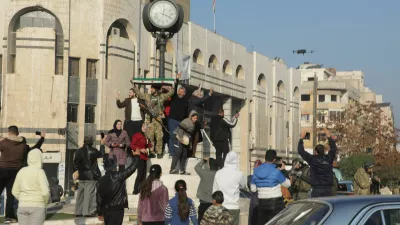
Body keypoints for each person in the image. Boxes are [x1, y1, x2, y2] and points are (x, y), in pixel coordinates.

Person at [97, 149, 140, 225]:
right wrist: (136, 156)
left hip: (106, 209)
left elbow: (98, 198)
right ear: (115, 165)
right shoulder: (119, 176)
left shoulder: (101, 180)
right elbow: (132, 168)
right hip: (117, 209)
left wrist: (99, 212)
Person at [132, 83, 175, 158]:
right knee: (150, 136)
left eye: (152, 88)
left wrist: (175, 83)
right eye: (150, 88)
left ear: (156, 89)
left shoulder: (161, 97)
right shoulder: (148, 96)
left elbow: (171, 93)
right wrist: (133, 86)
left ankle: (159, 152)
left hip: (158, 119)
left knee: (159, 136)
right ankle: (151, 151)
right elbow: (140, 94)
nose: (150, 90)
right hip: (150, 119)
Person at [250, 150, 291, 225]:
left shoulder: (256, 171)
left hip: (262, 203)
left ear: (265, 158)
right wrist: (283, 170)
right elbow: (288, 184)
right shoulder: (276, 171)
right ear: (274, 159)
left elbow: (253, 189)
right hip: (276, 203)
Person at [12, 149, 50, 225]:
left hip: (22, 206)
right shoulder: (40, 172)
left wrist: (23, 199)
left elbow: (14, 191)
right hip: (38, 206)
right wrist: (45, 203)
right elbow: (46, 192)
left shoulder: (21, 171)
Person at [0, 126, 28, 223]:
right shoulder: (23, 145)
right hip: (15, 171)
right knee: (10, 195)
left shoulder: (4, 143)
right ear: (18, 133)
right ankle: (8, 217)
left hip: (2, 170)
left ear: (9, 132)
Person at [298, 128, 337, 197]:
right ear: (324, 151)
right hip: (328, 190)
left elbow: (301, 151)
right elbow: (333, 148)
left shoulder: (312, 159)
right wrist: (329, 137)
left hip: (317, 190)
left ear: (316, 152)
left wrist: (301, 138)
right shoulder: (329, 158)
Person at [213, 151, 246, 225]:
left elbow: (214, 191)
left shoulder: (218, 173)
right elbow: (244, 186)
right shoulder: (239, 174)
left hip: (221, 206)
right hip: (234, 206)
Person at [73, 136, 103, 217]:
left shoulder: (78, 151)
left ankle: (78, 212)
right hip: (90, 176)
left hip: (81, 175)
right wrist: (102, 144)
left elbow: (75, 163)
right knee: (89, 194)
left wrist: (78, 171)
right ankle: (88, 212)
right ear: (91, 142)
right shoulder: (93, 151)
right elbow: (101, 154)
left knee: (80, 194)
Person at [170, 110, 198, 175]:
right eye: (194, 118)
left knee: (184, 154)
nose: (196, 119)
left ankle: (182, 170)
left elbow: (189, 134)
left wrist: (190, 143)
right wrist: (180, 138)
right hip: (178, 137)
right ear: (191, 117)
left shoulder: (193, 124)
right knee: (178, 152)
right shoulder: (186, 121)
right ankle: (172, 169)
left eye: (196, 118)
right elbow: (181, 129)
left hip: (185, 139)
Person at [187, 86, 213, 158]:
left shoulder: (197, 102)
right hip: (192, 122)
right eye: (200, 95)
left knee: (196, 139)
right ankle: (189, 153)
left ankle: (192, 154)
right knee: (192, 138)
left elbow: (201, 112)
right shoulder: (193, 99)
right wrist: (209, 94)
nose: (201, 97)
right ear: (196, 94)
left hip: (197, 123)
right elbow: (200, 101)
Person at [168, 73, 189, 157]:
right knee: (172, 136)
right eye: (179, 91)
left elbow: (186, 112)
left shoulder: (185, 101)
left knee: (179, 137)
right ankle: (172, 153)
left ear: (184, 93)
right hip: (172, 120)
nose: (180, 93)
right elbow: (175, 87)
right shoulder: (174, 97)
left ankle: (178, 153)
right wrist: (177, 79)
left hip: (180, 122)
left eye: (182, 92)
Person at [194, 157, 219, 223]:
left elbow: (197, 168)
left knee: (201, 220)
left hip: (204, 202)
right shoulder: (218, 174)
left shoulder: (205, 173)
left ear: (209, 165)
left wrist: (203, 160)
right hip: (214, 202)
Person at [131, 124, 153, 195]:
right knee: (140, 174)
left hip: (144, 157)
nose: (145, 128)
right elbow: (132, 145)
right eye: (143, 126)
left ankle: (141, 189)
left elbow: (146, 145)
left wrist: (150, 144)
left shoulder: (145, 135)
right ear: (140, 127)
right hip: (139, 156)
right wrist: (140, 149)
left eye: (145, 127)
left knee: (144, 174)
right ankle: (135, 190)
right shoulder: (137, 135)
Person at [247, 160, 262, 225]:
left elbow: (251, 188)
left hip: (255, 203)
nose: (253, 169)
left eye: (254, 167)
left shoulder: (251, 178)